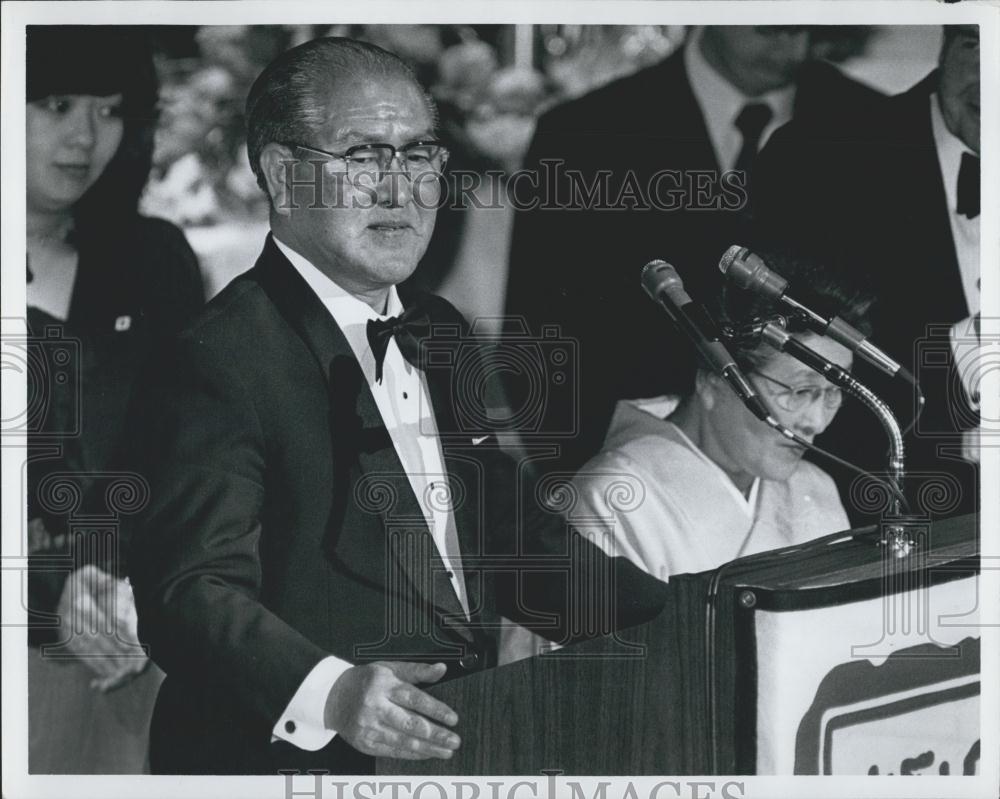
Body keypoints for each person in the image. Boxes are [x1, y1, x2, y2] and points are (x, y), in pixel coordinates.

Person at [126, 36, 668, 776]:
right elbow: (188, 592)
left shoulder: (438, 330)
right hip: (279, 765)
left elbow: (515, 540)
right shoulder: (216, 359)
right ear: (285, 175)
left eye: (418, 155)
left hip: (452, 750)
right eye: (364, 156)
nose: (401, 188)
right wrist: (338, 690)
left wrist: (696, 616)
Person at [504, 26, 885, 474]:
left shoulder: (874, 122)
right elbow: (537, 332)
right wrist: (591, 479)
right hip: (632, 476)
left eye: (805, 27)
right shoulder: (583, 131)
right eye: (768, 27)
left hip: (825, 472)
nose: (791, 48)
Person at [24, 26, 204, 773]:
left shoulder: (152, 258)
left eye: (109, 109)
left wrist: (115, 572)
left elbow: (197, 452)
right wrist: (47, 590)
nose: (84, 137)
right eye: (57, 103)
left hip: (136, 638)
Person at [752, 25, 981, 522]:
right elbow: (773, 367)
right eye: (974, 43)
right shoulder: (818, 160)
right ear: (943, 43)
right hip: (870, 529)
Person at [571, 252, 869, 581]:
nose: (816, 422)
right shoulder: (611, 496)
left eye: (833, 393)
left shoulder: (814, 487)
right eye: (799, 391)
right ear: (713, 383)